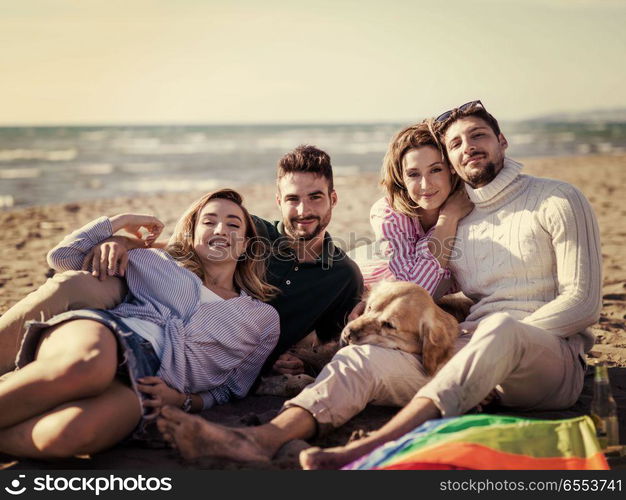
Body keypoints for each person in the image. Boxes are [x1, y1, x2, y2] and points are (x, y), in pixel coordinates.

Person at [156, 101, 601, 469]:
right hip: (468, 360)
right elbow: (450, 291)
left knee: (499, 328)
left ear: (502, 141)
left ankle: (365, 449)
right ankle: (263, 438)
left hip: (549, 363)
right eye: (457, 142)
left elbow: (581, 304)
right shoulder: (462, 221)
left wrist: (485, 342)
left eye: (479, 136)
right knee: (360, 359)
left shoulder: (557, 198)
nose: (469, 148)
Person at [0, 145, 363, 379]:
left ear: (333, 198)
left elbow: (332, 343)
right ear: (278, 200)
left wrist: (301, 358)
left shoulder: (344, 275)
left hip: (203, 354)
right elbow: (177, 247)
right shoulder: (248, 229)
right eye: (293, 199)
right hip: (162, 303)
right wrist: (119, 239)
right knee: (68, 285)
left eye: (315, 198)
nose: (303, 211)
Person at [0, 189, 280, 458]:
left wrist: (181, 400)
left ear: (244, 245)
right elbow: (63, 258)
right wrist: (119, 223)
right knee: (88, 364)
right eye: (209, 222)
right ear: (192, 235)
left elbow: (231, 388)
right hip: (112, 331)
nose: (220, 230)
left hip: (149, 385)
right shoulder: (157, 262)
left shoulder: (262, 318)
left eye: (233, 225)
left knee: (71, 434)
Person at [350, 120, 473, 295]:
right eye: (413, 174)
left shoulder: (470, 208)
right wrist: (448, 217)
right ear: (401, 178)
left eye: (435, 170)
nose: (425, 184)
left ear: (451, 169)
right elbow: (412, 290)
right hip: (362, 283)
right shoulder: (387, 213)